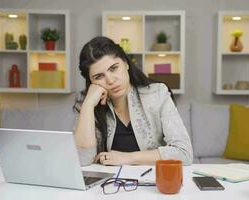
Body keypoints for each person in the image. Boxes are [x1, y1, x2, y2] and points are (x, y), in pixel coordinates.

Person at [73, 36, 193, 166]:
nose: (110, 80)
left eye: (114, 68)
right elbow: (82, 160)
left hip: (152, 182)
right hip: (110, 184)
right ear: (91, 82)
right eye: (99, 76)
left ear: (125, 63)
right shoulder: (91, 105)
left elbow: (183, 153)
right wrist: (89, 104)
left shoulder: (157, 93)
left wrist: (128, 158)